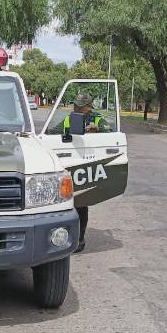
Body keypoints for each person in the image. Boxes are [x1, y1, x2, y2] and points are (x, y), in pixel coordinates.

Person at [49, 92, 111, 253]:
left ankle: (79, 240)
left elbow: (111, 136)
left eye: (80, 106)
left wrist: (97, 131)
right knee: (65, 203)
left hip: (87, 165)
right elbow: (51, 133)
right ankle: (61, 238)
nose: (76, 108)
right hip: (68, 164)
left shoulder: (98, 120)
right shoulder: (69, 119)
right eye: (75, 105)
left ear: (89, 107)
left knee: (82, 203)